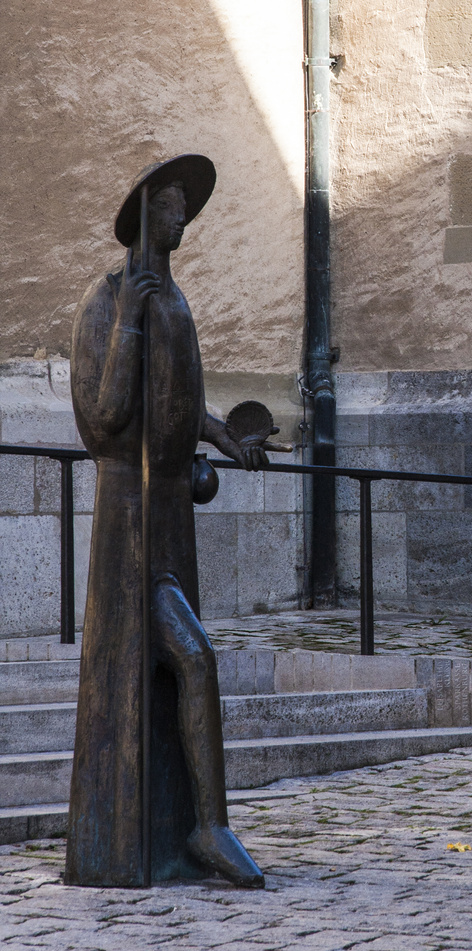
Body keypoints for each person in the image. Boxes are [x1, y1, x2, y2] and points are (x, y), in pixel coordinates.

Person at [65, 155, 267, 888]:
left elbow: (176, 399)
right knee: (193, 655)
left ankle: (191, 827)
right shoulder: (111, 298)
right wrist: (126, 327)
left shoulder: (176, 302)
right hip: (131, 524)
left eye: (186, 207)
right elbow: (104, 417)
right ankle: (208, 826)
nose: (184, 218)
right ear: (146, 217)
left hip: (172, 511)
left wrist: (218, 437)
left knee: (184, 657)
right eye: (173, 206)